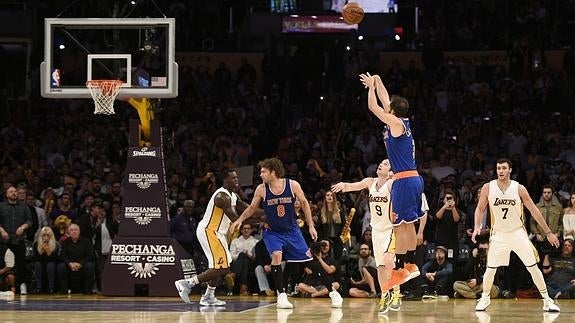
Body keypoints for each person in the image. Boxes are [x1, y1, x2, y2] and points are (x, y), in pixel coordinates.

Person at [231, 157, 343, 309]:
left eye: (264, 171)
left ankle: (333, 293)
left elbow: (304, 203)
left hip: (292, 231)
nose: (261, 174)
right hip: (272, 231)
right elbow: (251, 208)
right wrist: (240, 220)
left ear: (273, 172)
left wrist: (311, 225)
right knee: (277, 255)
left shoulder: (292, 185)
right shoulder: (261, 189)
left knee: (310, 261)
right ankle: (281, 296)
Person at [472, 158, 561, 312]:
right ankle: (485, 298)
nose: (501, 171)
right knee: (490, 269)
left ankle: (547, 300)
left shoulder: (519, 188)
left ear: (510, 170)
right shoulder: (488, 187)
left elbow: (534, 210)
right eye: (498, 168)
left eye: (504, 168)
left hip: (517, 232)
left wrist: (548, 232)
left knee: (533, 267)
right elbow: (480, 209)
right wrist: (476, 226)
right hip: (499, 234)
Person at [359, 73, 425, 281]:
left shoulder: (396, 124)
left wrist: (370, 88)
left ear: (393, 112)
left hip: (405, 180)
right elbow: (386, 100)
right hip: (411, 178)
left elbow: (374, 108)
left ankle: (406, 266)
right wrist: (378, 79)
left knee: (400, 225)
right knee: (406, 224)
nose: (387, 106)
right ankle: (410, 265)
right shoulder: (400, 122)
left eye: (390, 107)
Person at [332, 159, 414, 314]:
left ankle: (396, 293)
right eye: (381, 162)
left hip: (390, 229)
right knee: (381, 267)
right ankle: (384, 295)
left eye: (386, 163)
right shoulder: (370, 182)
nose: (381, 164)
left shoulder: (391, 184)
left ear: (391, 171)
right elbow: (353, 186)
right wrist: (344, 186)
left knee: (389, 262)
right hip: (376, 231)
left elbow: (404, 184)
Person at [174, 169, 261, 306]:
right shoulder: (222, 197)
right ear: (225, 180)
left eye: (237, 178)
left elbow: (250, 209)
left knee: (219, 265)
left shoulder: (234, 196)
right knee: (223, 267)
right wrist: (263, 220)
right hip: (210, 231)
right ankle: (187, 283)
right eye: (233, 178)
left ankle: (208, 296)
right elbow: (237, 220)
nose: (237, 180)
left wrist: (269, 213)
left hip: (218, 233)